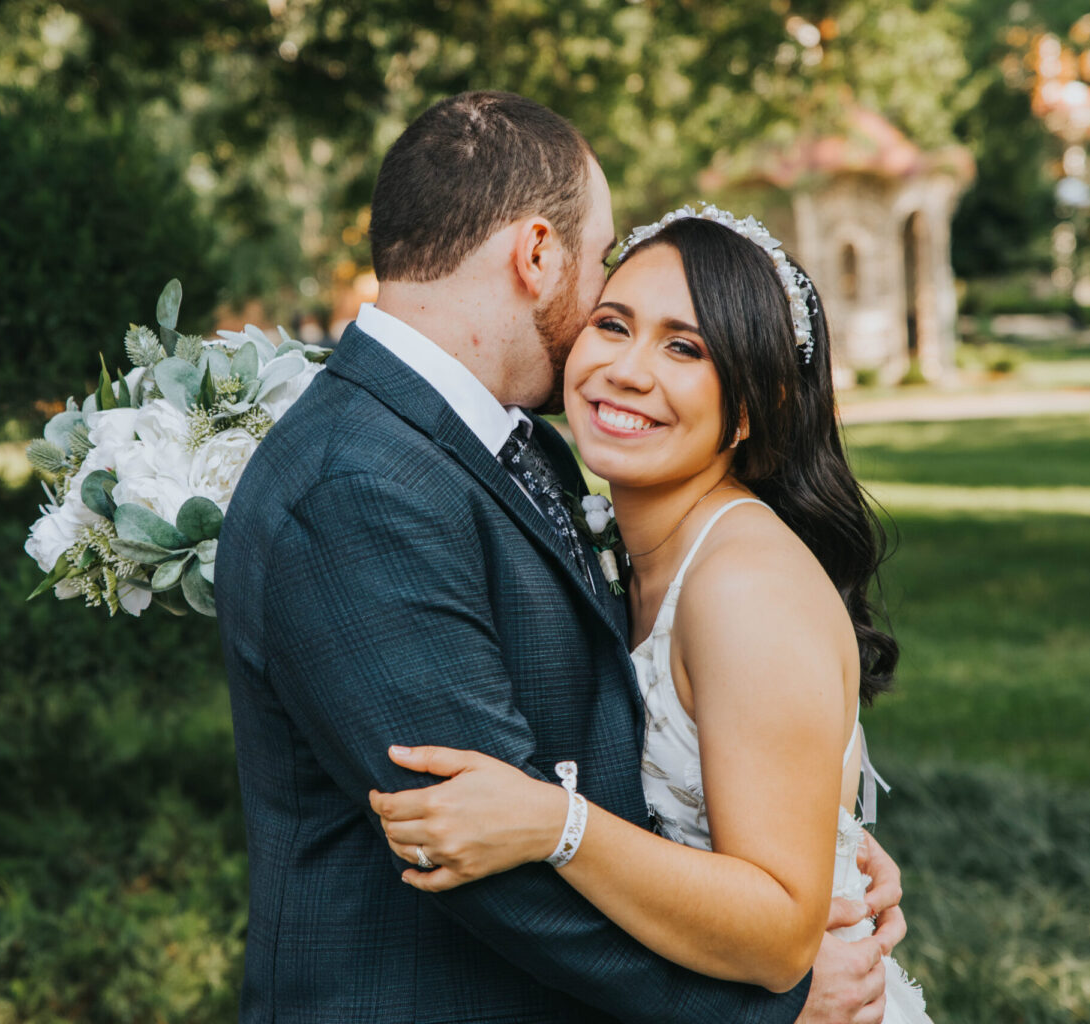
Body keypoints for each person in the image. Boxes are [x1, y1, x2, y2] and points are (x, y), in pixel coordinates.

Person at [217, 91, 900, 1023]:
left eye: (685, 346)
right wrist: (767, 1005)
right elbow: (475, 851)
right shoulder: (361, 482)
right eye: (609, 295)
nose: (617, 356)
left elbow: (586, 759)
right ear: (538, 254)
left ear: (747, 408)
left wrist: (824, 846)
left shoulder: (522, 449)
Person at [370, 205, 932, 1023]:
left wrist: (552, 826)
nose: (628, 370)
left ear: (749, 409)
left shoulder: (744, 585)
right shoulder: (628, 547)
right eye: (613, 324)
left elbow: (780, 937)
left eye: (684, 348)